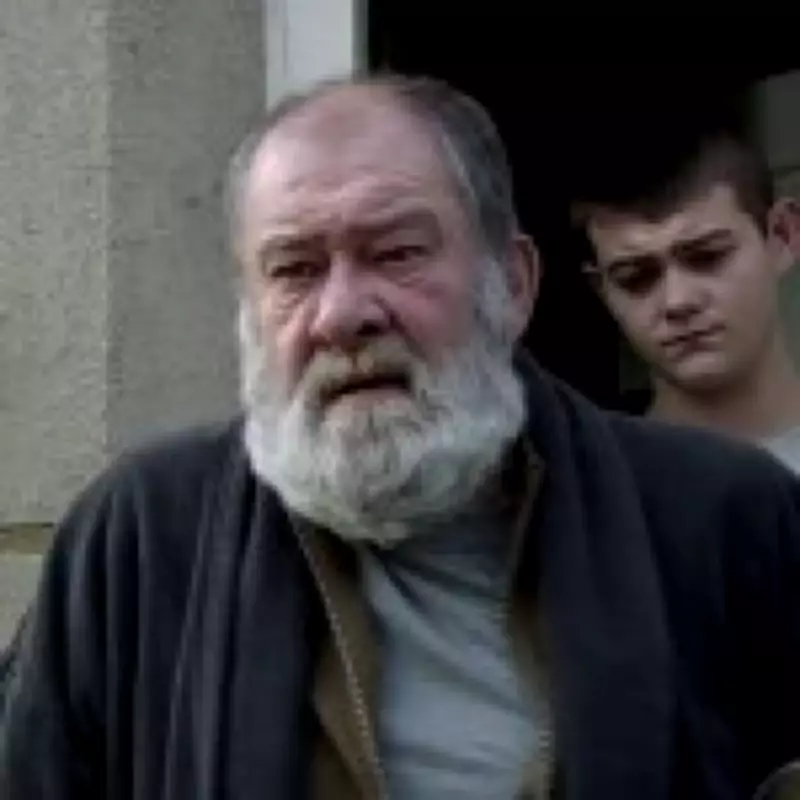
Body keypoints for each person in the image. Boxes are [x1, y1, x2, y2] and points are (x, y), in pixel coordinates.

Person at [2, 73, 800, 800]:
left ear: (512, 284)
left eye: (396, 253)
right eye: (294, 269)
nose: (343, 314)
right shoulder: (141, 538)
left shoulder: (722, 517)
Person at [572, 126, 800, 471]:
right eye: (636, 278)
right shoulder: (592, 484)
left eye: (708, 257)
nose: (677, 301)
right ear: (601, 289)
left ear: (782, 235)